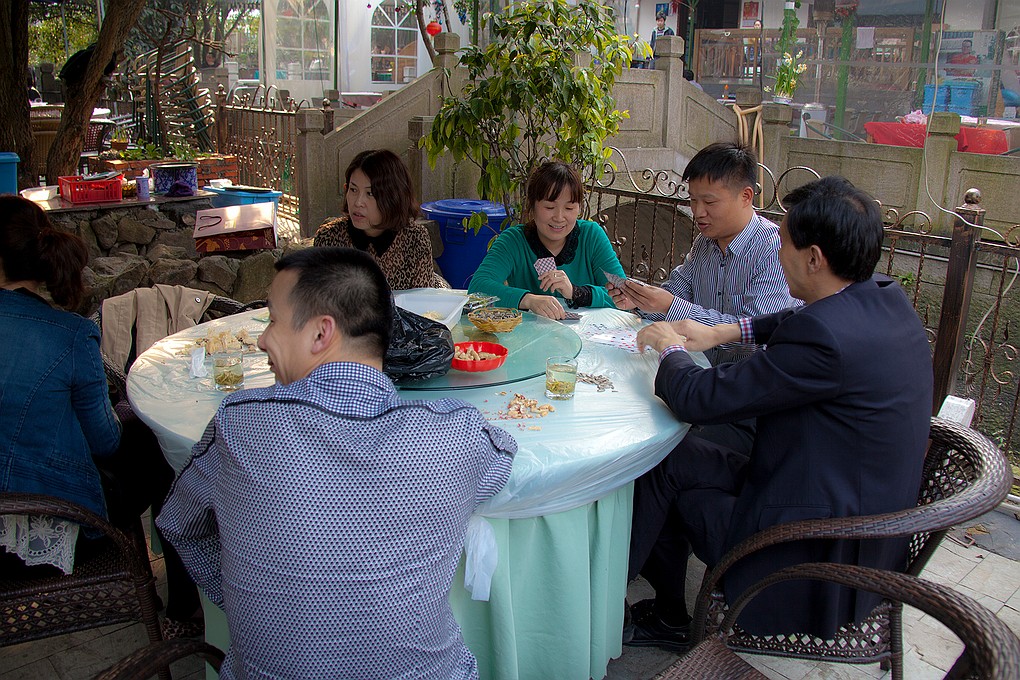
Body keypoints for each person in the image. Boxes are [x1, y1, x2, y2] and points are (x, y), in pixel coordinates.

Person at [156, 247, 517, 679]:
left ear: (320, 333)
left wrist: (247, 594)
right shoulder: (455, 435)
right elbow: (503, 457)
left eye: (272, 320)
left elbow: (179, 524)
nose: (262, 339)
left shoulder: (240, 423)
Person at [625, 176, 933, 651]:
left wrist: (670, 348)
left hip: (811, 551)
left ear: (814, 258)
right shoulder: (882, 297)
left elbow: (698, 398)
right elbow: (797, 319)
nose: (776, 252)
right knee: (667, 458)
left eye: (784, 243)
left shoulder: (824, 342)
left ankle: (615, 603)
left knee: (670, 478)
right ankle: (647, 605)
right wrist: (725, 332)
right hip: (843, 506)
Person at [0, 196, 202, 638]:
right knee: (154, 443)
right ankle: (185, 610)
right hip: (53, 533)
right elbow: (106, 442)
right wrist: (127, 411)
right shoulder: (70, 335)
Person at [608, 142, 797, 366]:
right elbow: (676, 294)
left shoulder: (774, 249)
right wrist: (640, 301)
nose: (698, 212)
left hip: (747, 378)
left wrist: (668, 305)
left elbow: (754, 335)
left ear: (746, 196)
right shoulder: (704, 243)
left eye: (709, 202)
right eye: (693, 200)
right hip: (701, 368)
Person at [467, 160, 627, 320]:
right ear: (532, 206)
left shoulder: (591, 236)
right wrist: (528, 300)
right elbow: (477, 287)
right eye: (549, 207)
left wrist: (575, 292)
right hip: (530, 333)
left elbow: (623, 295)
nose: (559, 217)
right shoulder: (513, 241)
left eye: (569, 208)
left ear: (579, 208)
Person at [314, 149, 439, 290]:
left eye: (370, 193)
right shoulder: (329, 238)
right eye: (353, 190)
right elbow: (319, 297)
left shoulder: (415, 238)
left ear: (392, 198)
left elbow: (422, 299)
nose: (358, 202)